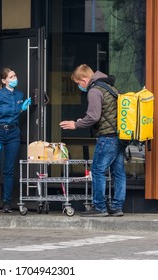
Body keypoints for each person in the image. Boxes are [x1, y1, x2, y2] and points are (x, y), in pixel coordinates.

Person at [59, 64, 126, 217]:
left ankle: (99, 207)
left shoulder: (94, 91)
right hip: (119, 136)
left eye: (78, 84)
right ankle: (117, 207)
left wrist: (75, 124)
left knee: (97, 170)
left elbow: (93, 117)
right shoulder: (110, 87)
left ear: (84, 80)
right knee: (119, 173)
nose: (79, 87)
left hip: (107, 137)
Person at [0, 67, 31, 213]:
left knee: (9, 170)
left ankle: (7, 203)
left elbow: (15, 113)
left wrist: (22, 108)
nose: (14, 78)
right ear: (4, 81)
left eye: (15, 76)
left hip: (13, 133)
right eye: (11, 77)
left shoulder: (19, 95)